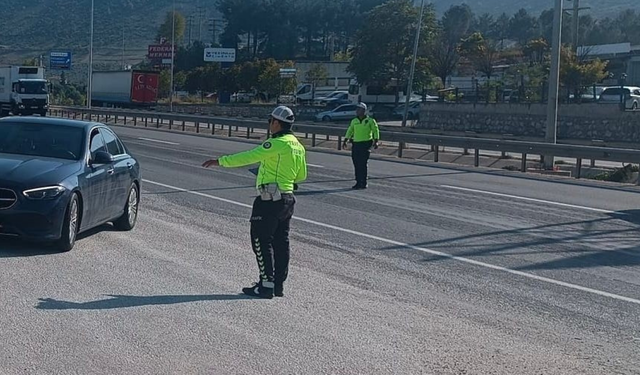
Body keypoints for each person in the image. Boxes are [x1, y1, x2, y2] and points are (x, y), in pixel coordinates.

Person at [202, 106, 307, 299]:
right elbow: (301, 175)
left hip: (270, 199)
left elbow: (249, 156)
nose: (269, 125)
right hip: (287, 198)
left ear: (276, 122)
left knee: (261, 240)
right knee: (281, 241)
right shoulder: (297, 145)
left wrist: (220, 161)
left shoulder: (276, 143)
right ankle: (277, 285)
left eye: (270, 121)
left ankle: (265, 285)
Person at [343, 102, 380, 189]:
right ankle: (358, 181)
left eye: (359, 109)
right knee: (356, 163)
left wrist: (376, 141)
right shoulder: (354, 121)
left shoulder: (370, 121)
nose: (357, 111)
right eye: (357, 109)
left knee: (362, 163)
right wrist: (345, 140)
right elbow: (350, 130)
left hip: (366, 144)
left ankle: (364, 181)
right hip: (356, 144)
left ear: (364, 110)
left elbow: (375, 130)